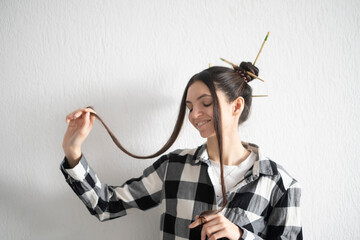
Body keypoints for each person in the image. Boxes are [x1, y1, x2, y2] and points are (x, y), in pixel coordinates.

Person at [60, 62, 302, 240]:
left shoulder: (280, 184)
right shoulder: (173, 167)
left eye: (206, 103)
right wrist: (73, 150)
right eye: (189, 106)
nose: (194, 115)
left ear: (237, 105)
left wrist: (240, 235)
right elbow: (106, 204)